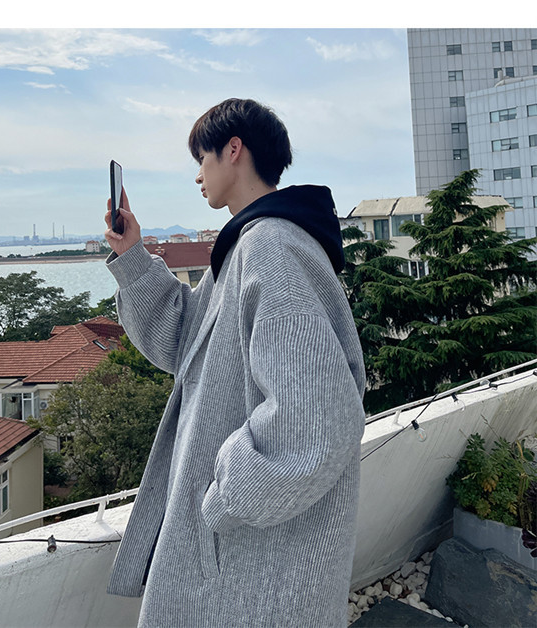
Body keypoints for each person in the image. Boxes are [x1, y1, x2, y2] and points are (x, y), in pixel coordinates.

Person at [104, 98, 366, 627]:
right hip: (244, 547)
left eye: (202, 159)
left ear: (233, 150)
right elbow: (184, 340)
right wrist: (132, 256)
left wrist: (223, 495)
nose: (198, 176)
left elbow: (317, 416)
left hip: (252, 551)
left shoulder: (271, 246)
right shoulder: (252, 243)